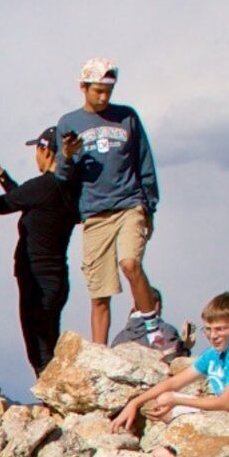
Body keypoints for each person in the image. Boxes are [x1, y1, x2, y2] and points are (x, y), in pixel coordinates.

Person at [50, 60, 173, 352]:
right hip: (94, 212)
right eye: (98, 91)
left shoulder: (127, 117)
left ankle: (152, 329)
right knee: (99, 291)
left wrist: (149, 207)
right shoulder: (69, 123)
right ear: (83, 88)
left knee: (130, 263)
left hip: (129, 204)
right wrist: (66, 156)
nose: (104, 97)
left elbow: (144, 161)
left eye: (108, 91)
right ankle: (100, 353)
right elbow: (63, 177)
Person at [0, 130, 80, 384]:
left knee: (40, 350)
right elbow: (24, 198)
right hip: (56, 279)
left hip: (36, 281)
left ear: (46, 151)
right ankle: (57, 398)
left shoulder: (44, 185)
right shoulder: (68, 187)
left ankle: (53, 400)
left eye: (37, 151)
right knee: (48, 343)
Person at [124, 291, 229, 435]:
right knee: (163, 401)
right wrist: (135, 403)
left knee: (168, 401)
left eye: (220, 329)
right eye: (208, 329)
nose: (213, 336)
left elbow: (226, 403)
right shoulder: (214, 353)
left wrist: (176, 400)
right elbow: (174, 382)